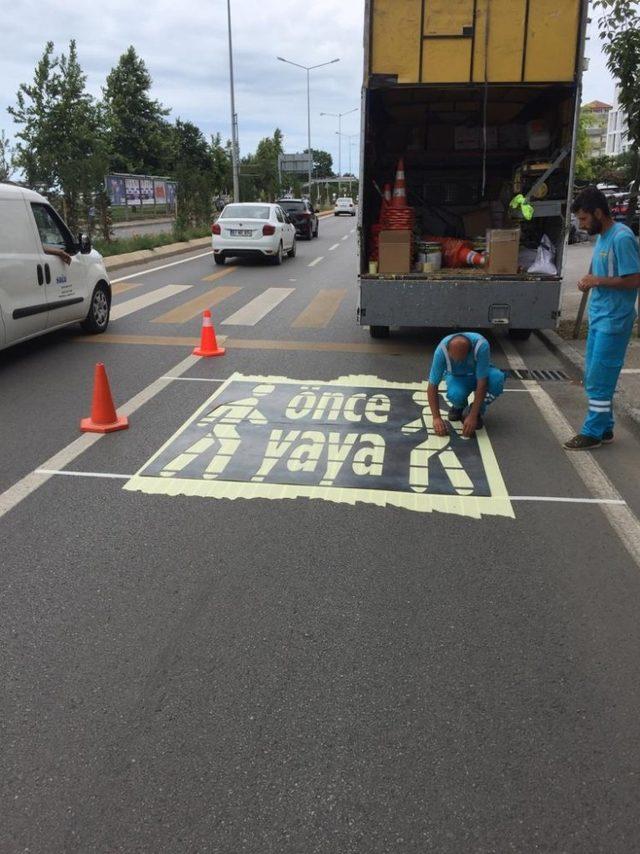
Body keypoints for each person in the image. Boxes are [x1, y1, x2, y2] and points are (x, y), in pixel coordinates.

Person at [564, 187, 640, 450]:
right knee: (596, 374)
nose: (582, 226)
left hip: (615, 320)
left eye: (584, 219)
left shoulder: (622, 238)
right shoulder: (603, 237)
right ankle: (605, 427)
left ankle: (593, 431)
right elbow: (604, 275)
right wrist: (590, 282)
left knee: (599, 377)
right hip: (599, 317)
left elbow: (634, 278)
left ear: (598, 213)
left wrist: (597, 280)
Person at [427, 332, 505, 438]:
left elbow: (482, 383)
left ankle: (477, 410)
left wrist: (473, 415)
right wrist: (436, 418)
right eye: (454, 358)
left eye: (461, 359)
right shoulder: (441, 351)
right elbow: (432, 385)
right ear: (448, 351)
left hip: (478, 373)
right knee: (455, 395)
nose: (457, 361)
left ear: (469, 352)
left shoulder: (481, 346)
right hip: (457, 376)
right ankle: (458, 406)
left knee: (497, 379)